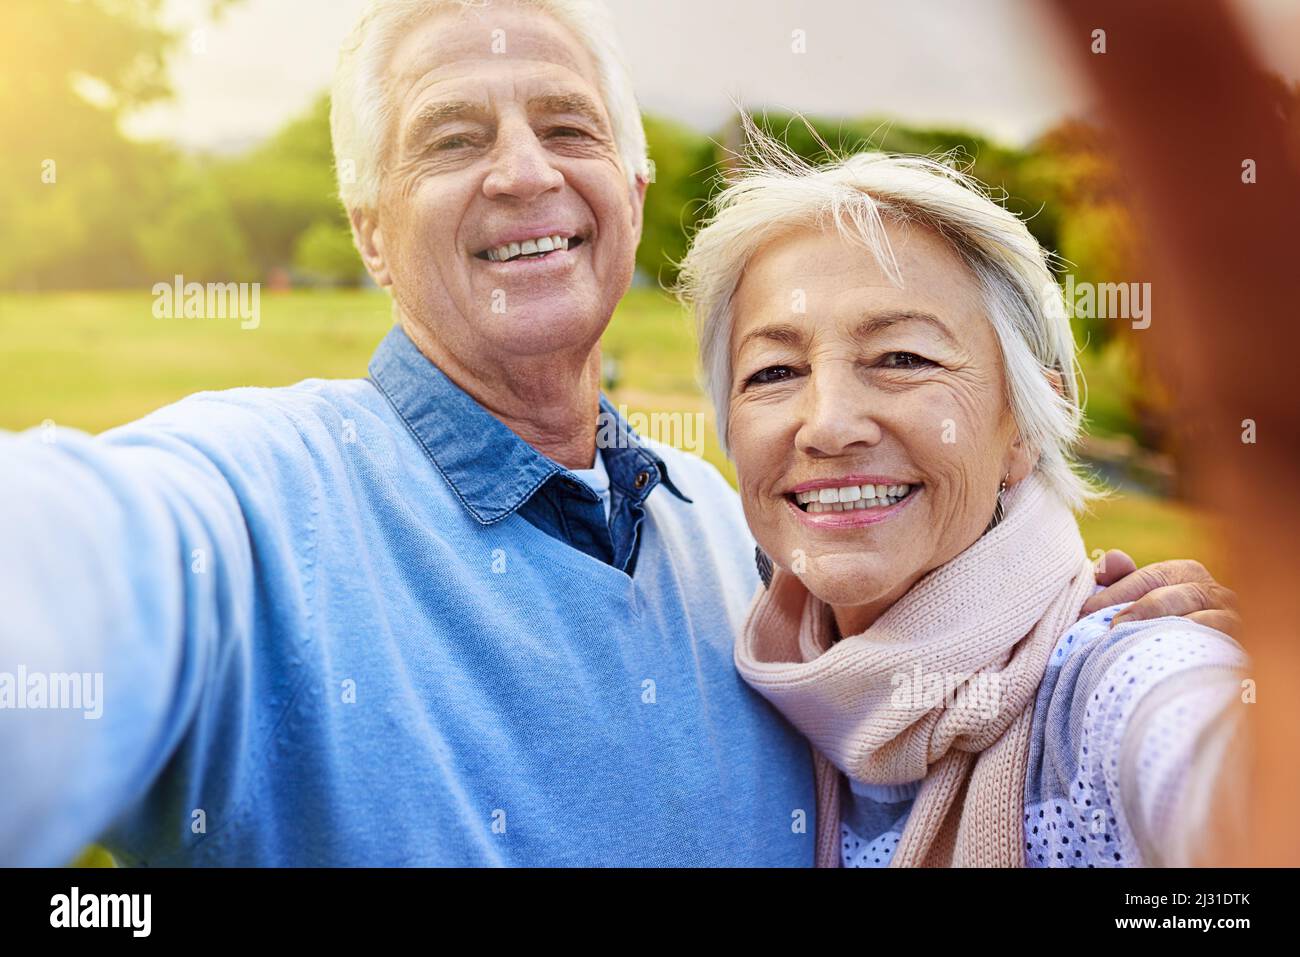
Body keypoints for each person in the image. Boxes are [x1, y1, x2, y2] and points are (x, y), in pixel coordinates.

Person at [0, 0, 1239, 866]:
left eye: (569, 125)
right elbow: (74, 566)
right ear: (370, 228)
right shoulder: (255, 504)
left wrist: (1150, 655)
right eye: (451, 136)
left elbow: (1163, 757)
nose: (522, 172)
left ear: (631, 198)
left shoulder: (745, 550)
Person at [675, 125, 1251, 867]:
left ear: (1024, 428)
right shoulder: (752, 693)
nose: (828, 424)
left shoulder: (1119, 677)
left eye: (902, 357)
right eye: (775, 371)